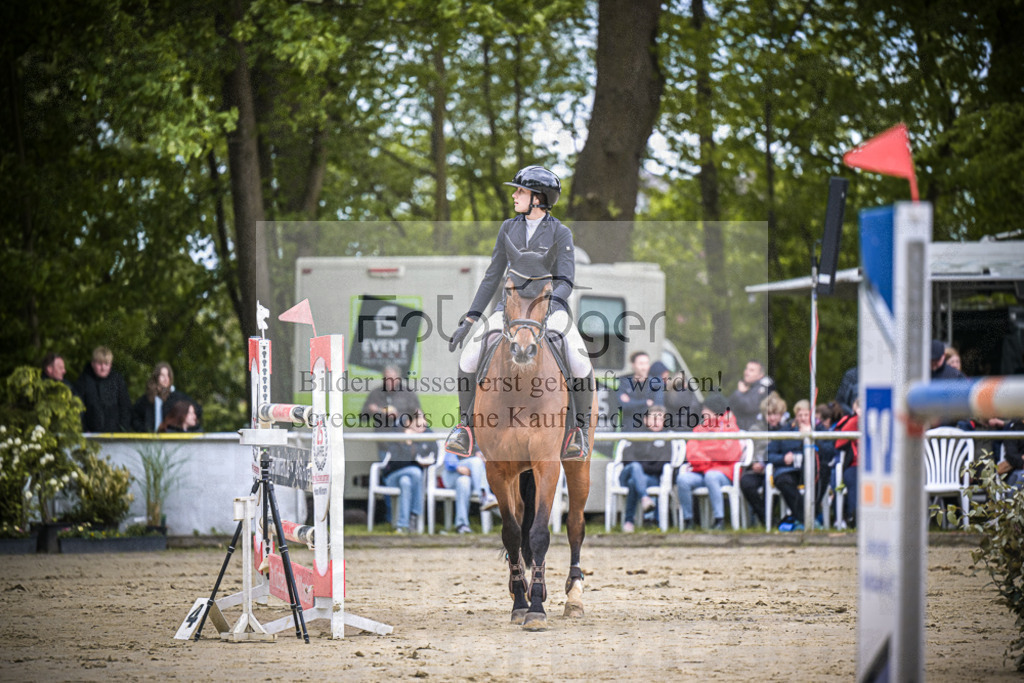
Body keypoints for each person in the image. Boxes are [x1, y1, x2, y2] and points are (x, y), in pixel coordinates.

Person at [445, 166, 595, 461]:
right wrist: (472, 318)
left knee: (580, 362)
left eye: (521, 191)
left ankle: (578, 431)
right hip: (509, 309)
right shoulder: (507, 228)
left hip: (549, 308)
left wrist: (546, 307)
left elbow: (565, 280)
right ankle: (465, 428)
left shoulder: (560, 232)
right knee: (468, 357)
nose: (515, 195)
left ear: (538, 198)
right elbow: (492, 276)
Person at [677, 391, 742, 530]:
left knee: (711, 476)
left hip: (722, 474)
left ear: (716, 412)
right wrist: (710, 457)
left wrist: (705, 450)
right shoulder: (700, 428)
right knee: (683, 480)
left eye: (706, 410)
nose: (702, 413)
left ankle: (719, 521)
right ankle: (689, 521)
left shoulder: (730, 427)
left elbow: (727, 453)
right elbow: (692, 452)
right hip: (702, 470)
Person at [764, 399, 820, 530]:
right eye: (800, 415)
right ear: (796, 416)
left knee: (821, 475)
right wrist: (783, 458)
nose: (803, 418)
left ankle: (811, 517)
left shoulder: (819, 429)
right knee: (783, 481)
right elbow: (769, 455)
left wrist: (811, 435)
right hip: (788, 471)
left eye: (806, 415)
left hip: (811, 469)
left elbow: (828, 451)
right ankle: (806, 519)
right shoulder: (784, 431)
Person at [618, 405, 674, 533]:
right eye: (653, 418)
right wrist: (641, 467)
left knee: (634, 482)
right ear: (645, 420)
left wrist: (641, 468)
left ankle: (629, 521)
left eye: (659, 419)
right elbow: (626, 457)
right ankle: (645, 498)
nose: (656, 422)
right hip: (627, 474)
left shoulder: (666, 439)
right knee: (634, 468)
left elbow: (662, 464)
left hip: (650, 478)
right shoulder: (637, 434)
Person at [379, 410, 435, 533]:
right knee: (415, 472)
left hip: (411, 480)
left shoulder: (428, 435)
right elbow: (397, 462)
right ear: (410, 422)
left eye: (424, 419)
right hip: (392, 476)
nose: (423, 423)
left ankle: (402, 525)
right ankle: (414, 515)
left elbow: (434, 454)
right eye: (419, 420)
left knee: (406, 482)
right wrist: (408, 442)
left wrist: (427, 461)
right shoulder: (399, 434)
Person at [739, 392, 789, 527]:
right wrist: (754, 463)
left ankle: (768, 519)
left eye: (775, 414)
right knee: (746, 482)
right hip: (757, 470)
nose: (772, 418)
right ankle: (767, 518)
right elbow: (750, 451)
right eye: (769, 414)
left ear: (781, 414)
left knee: (773, 482)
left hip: (776, 469)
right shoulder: (755, 429)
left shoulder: (787, 430)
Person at [439, 445, 498, 534]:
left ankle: (461, 525)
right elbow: (449, 462)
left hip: (471, 481)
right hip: (452, 476)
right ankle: (484, 496)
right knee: (476, 461)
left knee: (463, 482)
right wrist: (458, 468)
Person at [73, 346, 132, 432]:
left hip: (115, 435)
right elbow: (78, 408)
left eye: (106, 364)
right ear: (93, 363)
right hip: (90, 435)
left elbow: (125, 407)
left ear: (111, 365)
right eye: (100, 364)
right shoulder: (83, 382)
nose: (103, 368)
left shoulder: (117, 381)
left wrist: (123, 429)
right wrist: (84, 429)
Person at [131, 362, 201, 432]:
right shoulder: (146, 399)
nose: (166, 379)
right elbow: (134, 417)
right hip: (149, 440)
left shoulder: (178, 397)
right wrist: (144, 430)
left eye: (168, 375)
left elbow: (197, 410)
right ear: (156, 377)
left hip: (171, 438)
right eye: (162, 375)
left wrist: (182, 428)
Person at [360, 364, 422, 432]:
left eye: (392, 378)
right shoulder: (375, 393)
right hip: (382, 435)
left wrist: (400, 417)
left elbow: (417, 414)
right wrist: (370, 410)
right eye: (387, 378)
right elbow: (363, 418)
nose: (389, 382)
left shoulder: (408, 393)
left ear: (398, 379)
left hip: (402, 436)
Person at [617, 351, 664, 432]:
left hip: (649, 431)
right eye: (641, 363)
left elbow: (657, 406)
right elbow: (623, 405)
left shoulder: (656, 383)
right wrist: (645, 402)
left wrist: (632, 402)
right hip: (629, 429)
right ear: (633, 365)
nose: (644, 367)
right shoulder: (624, 382)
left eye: (646, 363)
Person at [833, 398, 860, 527]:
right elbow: (839, 442)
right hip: (855, 464)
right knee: (853, 479)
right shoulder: (853, 421)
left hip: (877, 466)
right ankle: (853, 517)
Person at [728, 360, 776, 429]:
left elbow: (750, 407)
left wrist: (739, 393)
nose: (746, 372)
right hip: (742, 430)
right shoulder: (748, 387)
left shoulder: (764, 387)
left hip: (755, 432)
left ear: (760, 375)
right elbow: (729, 405)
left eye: (751, 370)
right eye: (746, 369)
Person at [657, 364, 701, 432]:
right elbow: (696, 409)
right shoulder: (690, 394)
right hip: (688, 428)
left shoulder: (667, 393)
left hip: (670, 429)